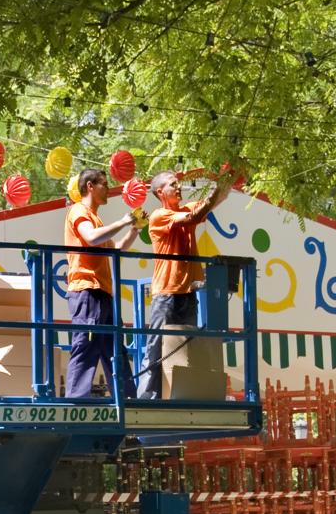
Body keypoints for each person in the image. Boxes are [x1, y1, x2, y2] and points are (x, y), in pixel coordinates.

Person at [135, 170, 231, 399]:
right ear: (160, 192)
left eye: (178, 184)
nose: (178, 187)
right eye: (172, 184)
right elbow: (195, 215)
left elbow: (214, 202)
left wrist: (228, 179)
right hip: (166, 292)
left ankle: (180, 393)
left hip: (188, 292)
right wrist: (217, 189)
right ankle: (147, 397)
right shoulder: (160, 215)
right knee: (156, 347)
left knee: (185, 346)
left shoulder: (187, 209)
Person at [63, 169, 141, 398]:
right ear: (89, 186)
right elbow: (91, 237)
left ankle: (126, 398)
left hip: (102, 291)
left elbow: (115, 248)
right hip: (87, 289)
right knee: (86, 344)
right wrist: (123, 221)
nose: (108, 189)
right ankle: (76, 401)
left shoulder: (95, 218)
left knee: (114, 347)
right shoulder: (78, 211)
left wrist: (133, 229)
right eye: (104, 184)